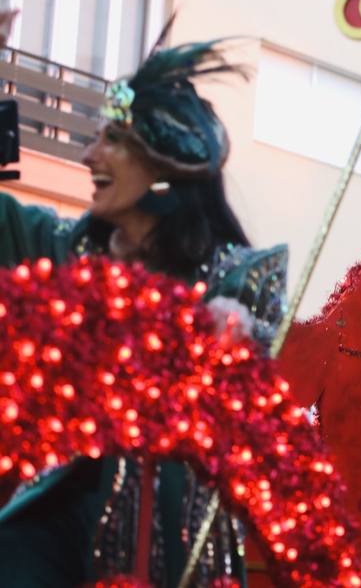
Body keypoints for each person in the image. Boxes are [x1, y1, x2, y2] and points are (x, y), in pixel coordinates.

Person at [0, 36, 288, 586]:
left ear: (163, 165)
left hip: (179, 551)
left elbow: (245, 336)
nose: (90, 155)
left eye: (113, 139)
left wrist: (226, 330)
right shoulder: (66, 249)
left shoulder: (242, 272)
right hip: (57, 531)